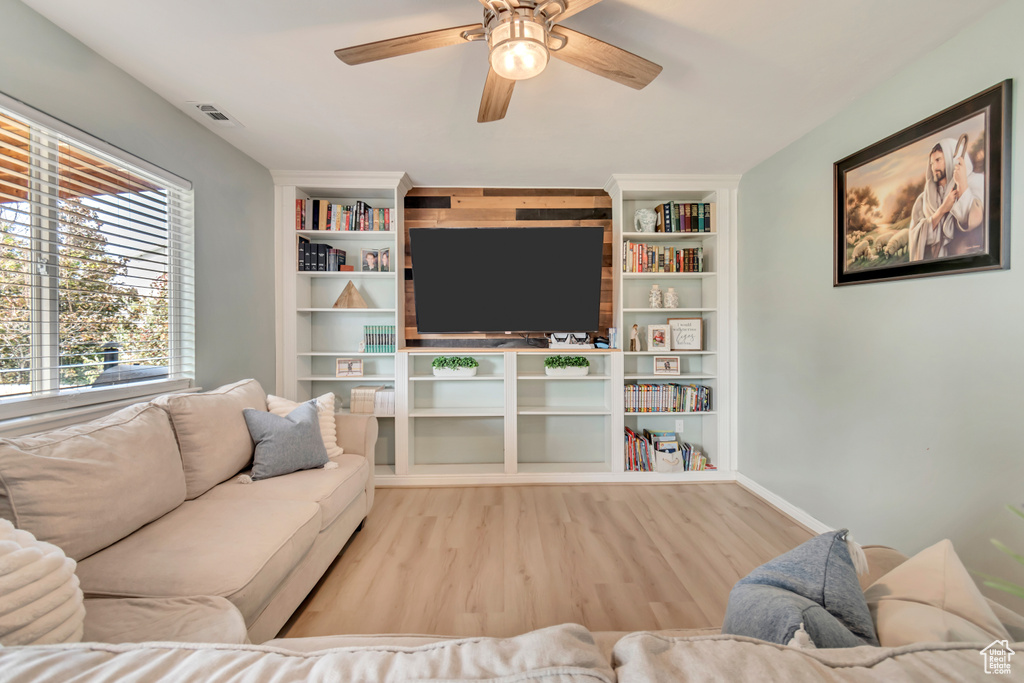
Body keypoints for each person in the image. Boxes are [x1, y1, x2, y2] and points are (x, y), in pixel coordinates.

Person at [908, 137, 984, 261]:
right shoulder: (923, 200)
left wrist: (962, 185)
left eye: (938, 160)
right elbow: (915, 237)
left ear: (951, 160)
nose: (934, 167)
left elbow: (973, 220)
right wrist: (942, 210)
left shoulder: (976, 183)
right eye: (932, 163)